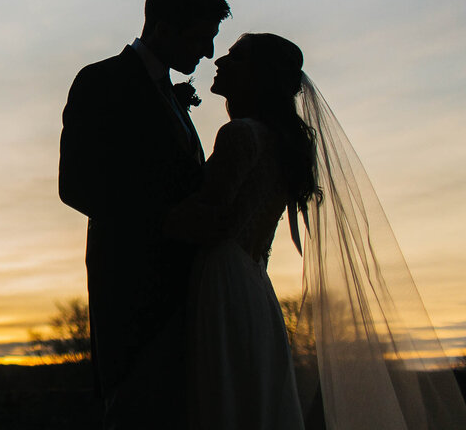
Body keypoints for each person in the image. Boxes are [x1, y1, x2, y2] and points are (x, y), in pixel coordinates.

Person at [170, 33, 466, 430]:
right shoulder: (280, 141)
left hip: (222, 282)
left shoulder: (241, 134)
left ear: (259, 76)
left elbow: (210, 219)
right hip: (253, 284)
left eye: (236, 58)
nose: (220, 60)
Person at [59, 0, 230, 429]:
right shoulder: (102, 81)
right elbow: (76, 184)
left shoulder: (170, 96)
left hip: (184, 301)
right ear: (164, 27)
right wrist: (168, 221)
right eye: (203, 37)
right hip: (133, 303)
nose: (209, 52)